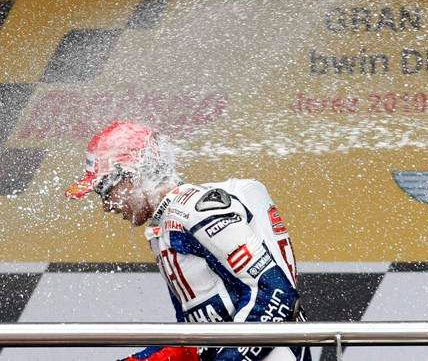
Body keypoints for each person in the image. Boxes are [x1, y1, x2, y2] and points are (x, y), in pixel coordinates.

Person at [65, 121, 310, 361]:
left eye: (105, 191)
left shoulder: (194, 211)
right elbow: (195, 343)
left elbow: (277, 294)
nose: (107, 206)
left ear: (130, 176)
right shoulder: (167, 224)